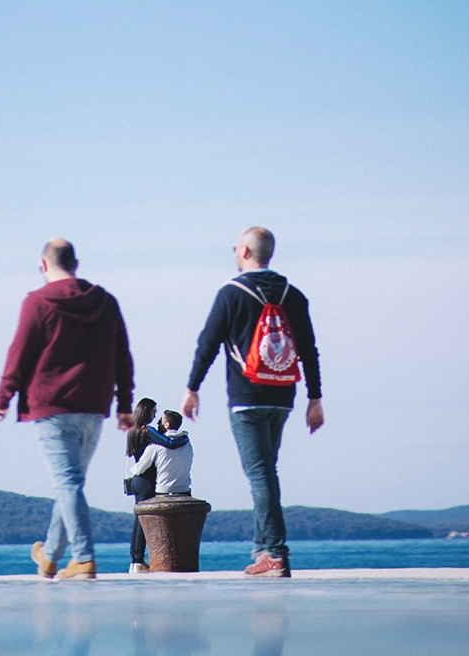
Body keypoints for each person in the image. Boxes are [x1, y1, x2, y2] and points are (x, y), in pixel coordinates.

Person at [0, 238, 135, 580]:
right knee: (71, 483)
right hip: (94, 406)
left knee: (68, 483)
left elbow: (19, 353)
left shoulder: (37, 302)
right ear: (76, 264)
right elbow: (122, 356)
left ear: (43, 264)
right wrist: (125, 405)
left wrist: (2, 399)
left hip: (51, 407)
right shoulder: (106, 301)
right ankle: (50, 557)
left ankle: (83, 558)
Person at [182, 227, 323, 578]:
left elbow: (208, 344)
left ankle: (274, 553)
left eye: (235, 247)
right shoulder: (294, 295)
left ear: (245, 251)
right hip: (283, 395)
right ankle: (262, 550)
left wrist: (192, 388)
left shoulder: (231, 293)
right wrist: (314, 398)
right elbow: (309, 350)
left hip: (246, 398)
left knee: (260, 474)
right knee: (266, 471)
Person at [124, 399, 191, 573]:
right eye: (154, 412)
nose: (155, 416)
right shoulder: (148, 431)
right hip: (147, 481)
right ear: (147, 412)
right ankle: (138, 561)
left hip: (138, 479)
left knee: (139, 520)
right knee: (143, 522)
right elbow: (169, 443)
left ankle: (135, 560)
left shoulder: (133, 431)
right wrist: (185, 438)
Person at [129, 410, 193, 496]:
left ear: (167, 425)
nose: (158, 423)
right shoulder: (187, 444)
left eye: (160, 421)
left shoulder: (156, 445)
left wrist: (131, 471)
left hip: (164, 490)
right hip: (184, 489)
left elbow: (141, 468)